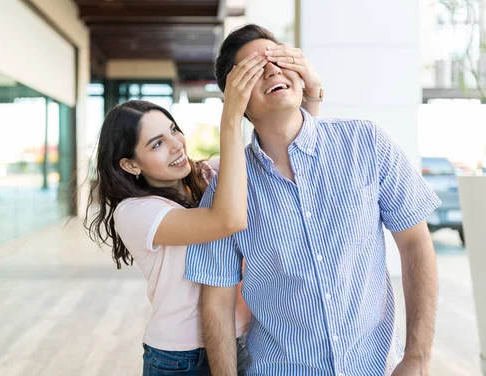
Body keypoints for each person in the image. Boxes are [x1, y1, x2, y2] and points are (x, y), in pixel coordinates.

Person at [185, 24, 442, 376]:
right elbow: (217, 299)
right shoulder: (226, 194)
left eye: (279, 59)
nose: (273, 70)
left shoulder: (365, 143)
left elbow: (415, 245)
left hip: (376, 366)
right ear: (237, 97)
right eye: (255, 69)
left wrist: (418, 356)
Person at [84, 49, 267, 376]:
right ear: (130, 164)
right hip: (181, 358)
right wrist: (230, 118)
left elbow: (276, 155)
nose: (176, 144)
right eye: (156, 143)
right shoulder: (135, 213)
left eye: (173, 130)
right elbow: (227, 220)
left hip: (242, 337)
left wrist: (310, 95)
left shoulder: (206, 176)